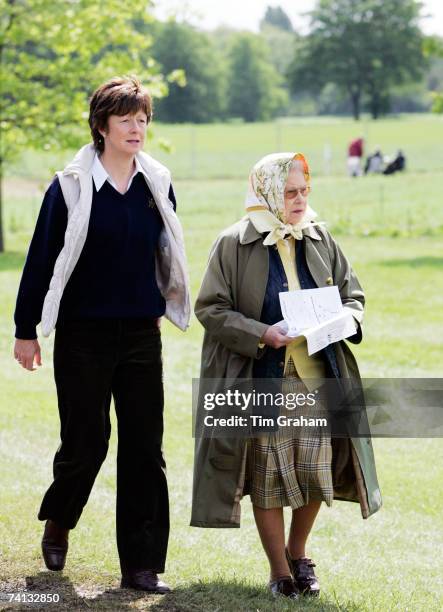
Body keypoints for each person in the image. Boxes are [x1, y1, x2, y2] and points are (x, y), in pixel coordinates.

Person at [13, 76, 190, 593]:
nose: (137, 128)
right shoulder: (69, 185)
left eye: (143, 119)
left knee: (145, 449)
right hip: (82, 334)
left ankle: (141, 565)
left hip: (140, 333)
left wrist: (163, 300)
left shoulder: (157, 181)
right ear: (101, 125)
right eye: (126, 119)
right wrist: (27, 330)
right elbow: (41, 259)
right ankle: (60, 521)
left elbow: (166, 249)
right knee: (85, 444)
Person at [191, 152, 382, 599]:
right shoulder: (232, 243)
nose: (300, 200)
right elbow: (210, 308)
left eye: (305, 191)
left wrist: (348, 319)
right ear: (269, 192)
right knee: (269, 478)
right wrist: (262, 333)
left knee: (316, 473)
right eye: (290, 192)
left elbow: (353, 295)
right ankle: (279, 572)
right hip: (262, 379)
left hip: (317, 379)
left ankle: (299, 554)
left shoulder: (320, 237)